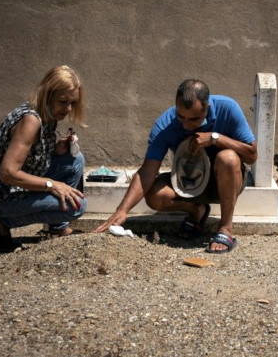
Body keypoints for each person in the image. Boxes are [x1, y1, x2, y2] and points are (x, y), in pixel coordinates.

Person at [94, 79, 257, 254]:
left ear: (207, 108)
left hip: (226, 181)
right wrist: (122, 210)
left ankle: (225, 228)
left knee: (228, 158)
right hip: (189, 182)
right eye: (181, 117)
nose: (186, 124)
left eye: (193, 119)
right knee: (155, 195)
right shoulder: (165, 124)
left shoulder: (228, 108)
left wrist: (215, 139)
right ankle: (197, 211)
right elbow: (147, 172)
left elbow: (252, 154)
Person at [0, 65, 88, 251]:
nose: (68, 108)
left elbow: (29, 156)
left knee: (75, 160)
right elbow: (8, 173)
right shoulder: (31, 120)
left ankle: (57, 227)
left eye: (72, 103)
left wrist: (56, 151)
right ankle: (1, 222)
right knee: (77, 207)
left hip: (13, 185)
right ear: (48, 95)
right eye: (63, 101)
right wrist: (53, 184)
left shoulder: (47, 115)